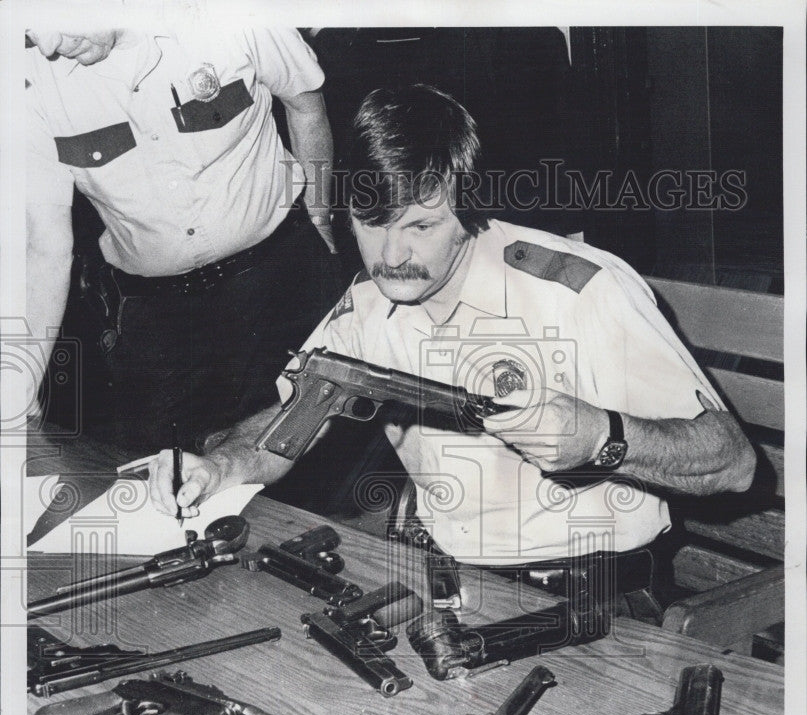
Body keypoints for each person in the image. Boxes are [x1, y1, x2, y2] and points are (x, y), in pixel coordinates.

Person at [149, 84, 755, 600]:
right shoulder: (367, 303)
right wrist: (220, 464)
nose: (392, 257)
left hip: (593, 594)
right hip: (440, 581)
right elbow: (291, 418)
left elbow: (734, 464)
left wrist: (603, 437)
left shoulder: (579, 291)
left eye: (420, 226)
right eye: (373, 223)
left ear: (467, 209)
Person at [26, 22, 340, 452]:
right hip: (157, 319)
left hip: (282, 281)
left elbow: (306, 106)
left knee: (310, 452)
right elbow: (44, 248)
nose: (46, 44)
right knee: (167, 478)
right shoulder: (27, 80)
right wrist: (20, 388)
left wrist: (321, 218)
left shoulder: (232, 18)